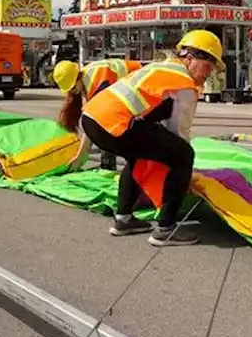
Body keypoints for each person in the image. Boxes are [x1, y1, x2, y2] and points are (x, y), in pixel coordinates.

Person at [79, 30, 223, 247]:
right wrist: (184, 176)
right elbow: (179, 132)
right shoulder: (184, 83)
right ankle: (165, 229)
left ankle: (124, 220)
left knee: (139, 156)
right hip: (115, 122)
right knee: (184, 155)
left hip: (93, 119)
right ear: (190, 58)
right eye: (207, 66)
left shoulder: (164, 66)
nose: (208, 73)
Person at [54, 57, 145, 171]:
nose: (72, 92)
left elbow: (95, 122)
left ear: (77, 78)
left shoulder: (97, 83)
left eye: (72, 88)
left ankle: (117, 166)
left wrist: (81, 156)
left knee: (107, 129)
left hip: (140, 85)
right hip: (135, 84)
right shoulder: (88, 76)